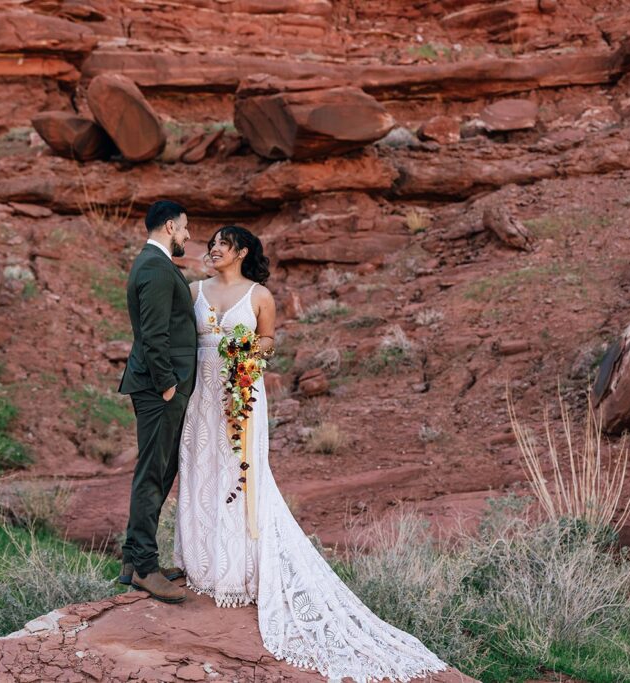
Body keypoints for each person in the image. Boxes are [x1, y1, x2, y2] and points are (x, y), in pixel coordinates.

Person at [173, 225, 448, 681]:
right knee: (201, 469)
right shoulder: (194, 290)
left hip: (241, 395)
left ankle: (237, 569)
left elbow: (268, 342)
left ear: (241, 251)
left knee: (240, 473)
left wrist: (245, 358)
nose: (214, 248)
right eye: (212, 242)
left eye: (223, 243)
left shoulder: (260, 296)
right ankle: (201, 564)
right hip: (201, 397)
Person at [117, 199, 195, 604]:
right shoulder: (154, 266)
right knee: (153, 471)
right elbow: (154, 334)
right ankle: (145, 568)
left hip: (161, 386)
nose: (187, 235)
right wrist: (168, 384)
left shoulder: (157, 264)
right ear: (169, 226)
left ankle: (134, 560)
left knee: (161, 470)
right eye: (184, 228)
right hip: (159, 388)